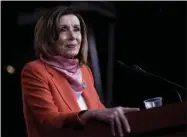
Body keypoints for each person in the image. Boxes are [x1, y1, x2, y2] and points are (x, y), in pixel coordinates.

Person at [21, 6, 139, 137]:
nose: (72, 36)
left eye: (76, 29)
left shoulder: (84, 70)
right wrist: (90, 114)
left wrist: (120, 115)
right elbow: (49, 121)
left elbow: (99, 110)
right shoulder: (35, 71)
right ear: (48, 37)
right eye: (63, 30)